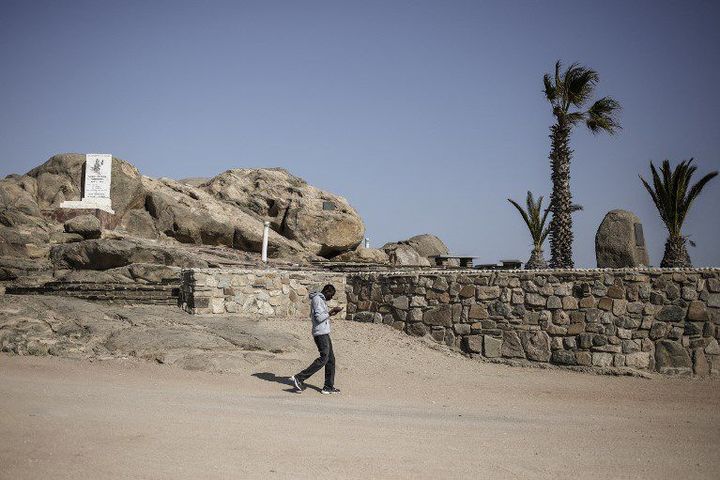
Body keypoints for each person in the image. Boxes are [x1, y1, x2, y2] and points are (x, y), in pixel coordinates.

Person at [290, 284, 343, 394]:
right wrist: (330, 312)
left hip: (324, 332)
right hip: (320, 333)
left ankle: (328, 387)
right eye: (331, 295)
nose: (331, 298)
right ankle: (299, 377)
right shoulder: (317, 299)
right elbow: (319, 318)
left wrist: (331, 313)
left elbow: (322, 316)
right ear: (327, 292)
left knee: (331, 360)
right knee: (324, 358)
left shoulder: (320, 299)